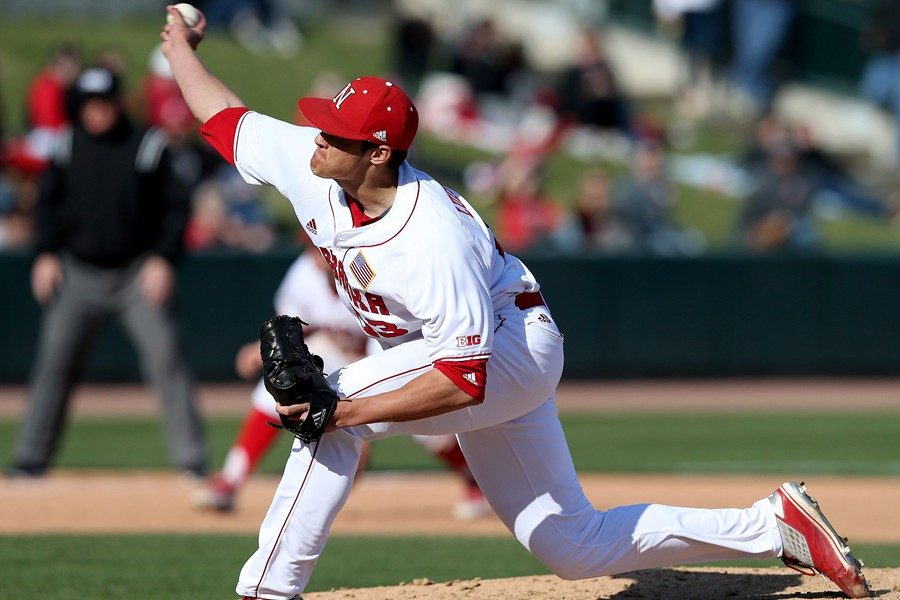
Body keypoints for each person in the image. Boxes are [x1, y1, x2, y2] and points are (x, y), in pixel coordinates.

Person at [160, 8, 871, 599]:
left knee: (330, 411)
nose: (316, 137)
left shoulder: (428, 238)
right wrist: (179, 48)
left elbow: (460, 380)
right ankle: (775, 526)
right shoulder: (319, 168)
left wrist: (340, 412)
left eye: (335, 133)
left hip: (505, 349)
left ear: (377, 153)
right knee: (571, 544)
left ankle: (267, 590)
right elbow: (224, 117)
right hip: (479, 346)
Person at [6, 66, 208, 479]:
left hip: (135, 273)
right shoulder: (66, 145)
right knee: (53, 364)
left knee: (166, 360)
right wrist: (45, 253)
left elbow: (176, 208)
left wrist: (163, 258)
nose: (97, 112)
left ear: (118, 103)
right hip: (77, 271)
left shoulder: (147, 145)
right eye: (89, 105)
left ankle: (192, 461)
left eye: (104, 103)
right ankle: (30, 458)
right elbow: (47, 206)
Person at [194, 248, 490, 519]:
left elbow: (395, 334)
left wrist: (365, 419)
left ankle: (474, 479)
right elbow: (289, 331)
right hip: (335, 356)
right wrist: (257, 350)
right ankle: (231, 480)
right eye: (312, 247)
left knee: (423, 421)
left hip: (384, 349)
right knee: (276, 386)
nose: (317, 255)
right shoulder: (303, 275)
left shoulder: (369, 268)